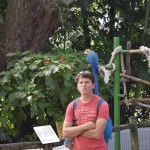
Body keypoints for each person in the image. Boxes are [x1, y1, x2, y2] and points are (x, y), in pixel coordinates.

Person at [63, 70, 109, 150]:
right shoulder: (72, 105)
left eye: (87, 82)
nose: (84, 85)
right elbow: (65, 133)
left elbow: (97, 134)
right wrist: (86, 126)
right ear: (77, 86)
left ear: (93, 85)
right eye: (81, 82)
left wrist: (75, 131)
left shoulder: (102, 104)